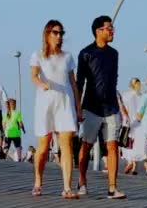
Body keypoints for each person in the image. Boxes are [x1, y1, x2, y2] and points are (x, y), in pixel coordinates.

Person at [30, 20, 82, 199]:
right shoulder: (38, 55)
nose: (59, 36)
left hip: (65, 102)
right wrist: (41, 84)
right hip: (45, 103)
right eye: (55, 32)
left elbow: (73, 83)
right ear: (47, 34)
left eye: (61, 33)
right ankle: (38, 181)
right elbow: (34, 76)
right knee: (43, 146)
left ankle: (67, 187)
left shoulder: (67, 57)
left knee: (66, 144)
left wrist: (78, 107)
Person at [77, 16, 126, 199]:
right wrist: (77, 107)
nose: (112, 31)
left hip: (111, 107)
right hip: (91, 106)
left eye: (112, 27)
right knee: (86, 145)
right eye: (109, 28)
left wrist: (118, 104)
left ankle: (112, 188)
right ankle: (82, 182)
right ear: (99, 31)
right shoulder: (85, 53)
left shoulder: (114, 54)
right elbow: (80, 81)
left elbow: (114, 79)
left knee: (112, 146)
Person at [120, 78, 147, 176]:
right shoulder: (142, 96)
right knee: (137, 145)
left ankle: (131, 163)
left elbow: (122, 108)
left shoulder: (126, 95)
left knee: (129, 144)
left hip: (128, 122)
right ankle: (134, 167)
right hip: (140, 123)